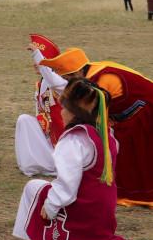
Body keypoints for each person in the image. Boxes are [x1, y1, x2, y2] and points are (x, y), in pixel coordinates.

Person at [12, 78, 131, 240]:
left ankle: (30, 236)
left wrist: (51, 206)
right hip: (103, 214)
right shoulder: (107, 135)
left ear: (77, 113)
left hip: (83, 214)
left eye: (66, 108)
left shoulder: (74, 141)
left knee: (33, 187)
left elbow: (68, 185)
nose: (62, 112)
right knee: (47, 187)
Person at [40, 47, 153, 207]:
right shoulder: (91, 72)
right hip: (126, 113)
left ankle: (139, 194)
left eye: (68, 79)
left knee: (137, 154)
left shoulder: (100, 81)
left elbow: (96, 121)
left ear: (77, 73)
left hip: (145, 112)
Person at [15, 34, 66, 176]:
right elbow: (40, 111)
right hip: (48, 132)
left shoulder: (60, 82)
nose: (34, 63)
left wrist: (37, 54)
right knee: (24, 120)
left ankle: (56, 163)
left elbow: (51, 78)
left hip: (63, 135)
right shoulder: (40, 83)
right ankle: (32, 162)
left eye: (39, 61)